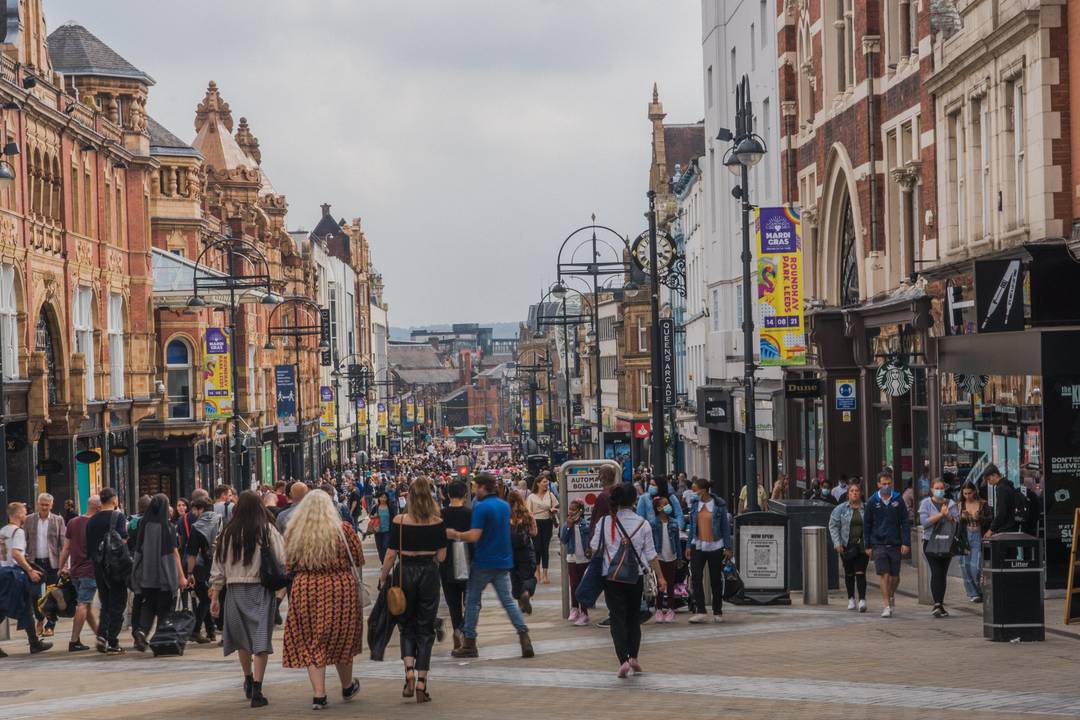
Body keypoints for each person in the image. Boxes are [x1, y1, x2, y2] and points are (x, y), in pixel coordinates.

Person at [283, 490, 363, 711]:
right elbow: (358, 558)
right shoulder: (344, 530)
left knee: (312, 640)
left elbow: (288, 566)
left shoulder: (295, 532)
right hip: (340, 590)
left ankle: (319, 694)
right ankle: (347, 685)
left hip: (306, 589)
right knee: (342, 637)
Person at [210, 490, 286, 708]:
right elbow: (282, 558)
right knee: (261, 640)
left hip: (234, 592)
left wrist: (215, 595)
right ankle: (258, 691)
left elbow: (218, 567)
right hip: (261, 590)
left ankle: (248, 678)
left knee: (242, 639)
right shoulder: (267, 530)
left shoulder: (227, 533)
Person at [447, 472, 534, 660]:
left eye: (475, 487)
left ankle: (469, 642)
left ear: (482, 487)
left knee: (472, 602)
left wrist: (455, 534)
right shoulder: (504, 506)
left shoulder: (481, 507)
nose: (473, 490)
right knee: (509, 602)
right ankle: (524, 637)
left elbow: (475, 535)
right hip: (503, 560)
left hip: (483, 562)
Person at [378, 476, 446, 704]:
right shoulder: (437, 522)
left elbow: (390, 554)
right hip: (428, 573)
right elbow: (442, 556)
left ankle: (408, 671)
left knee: (406, 624)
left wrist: (382, 576)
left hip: (404, 573)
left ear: (410, 497)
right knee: (425, 629)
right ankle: (421, 683)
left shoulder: (399, 520)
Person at [589, 484, 666, 677]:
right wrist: (661, 577)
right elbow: (651, 554)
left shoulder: (605, 522)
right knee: (633, 617)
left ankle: (622, 660)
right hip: (635, 576)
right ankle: (634, 657)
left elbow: (593, 546)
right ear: (634, 501)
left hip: (611, 577)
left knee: (617, 617)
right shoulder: (643, 523)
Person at [130, 494, 191, 651]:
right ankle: (161, 639)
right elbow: (174, 553)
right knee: (164, 609)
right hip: (165, 575)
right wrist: (181, 577)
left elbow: (138, 551)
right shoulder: (167, 527)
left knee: (148, 605)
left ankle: (141, 631)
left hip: (146, 575)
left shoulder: (143, 525)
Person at [0, 501, 52, 653]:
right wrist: (30, 570)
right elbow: (16, 554)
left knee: (8, 608)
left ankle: (34, 642)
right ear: (17, 514)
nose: (25, 515)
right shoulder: (18, 532)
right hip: (13, 575)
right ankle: (34, 643)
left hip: (2, 573)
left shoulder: (3, 531)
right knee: (24, 606)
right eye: (23, 512)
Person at [86, 487, 128, 654]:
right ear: (114, 500)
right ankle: (112, 641)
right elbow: (123, 539)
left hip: (98, 566)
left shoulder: (91, 520)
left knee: (106, 603)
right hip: (115, 566)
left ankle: (102, 635)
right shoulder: (118, 516)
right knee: (118, 603)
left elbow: (88, 547)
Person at [863, 471, 911, 618]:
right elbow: (867, 524)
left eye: (889, 483)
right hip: (878, 543)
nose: (886, 486)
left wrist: (906, 542)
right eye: (883, 483)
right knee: (884, 574)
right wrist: (868, 545)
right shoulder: (872, 501)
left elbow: (904, 522)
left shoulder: (898, 499)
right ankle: (886, 605)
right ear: (878, 484)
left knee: (895, 577)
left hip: (895, 543)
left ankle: (891, 594)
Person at [57, 495, 101, 651]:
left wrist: (60, 567)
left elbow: (66, 548)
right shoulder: (96, 524)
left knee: (85, 604)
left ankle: (100, 636)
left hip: (75, 571)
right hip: (89, 570)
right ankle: (74, 641)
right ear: (99, 508)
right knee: (83, 605)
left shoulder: (73, 522)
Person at [686, 478, 733, 623]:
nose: (692, 493)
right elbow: (692, 527)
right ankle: (700, 610)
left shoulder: (719, 504)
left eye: (695, 490)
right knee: (696, 577)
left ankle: (718, 611)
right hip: (698, 545)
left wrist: (728, 547)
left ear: (704, 490)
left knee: (715, 579)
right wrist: (688, 545)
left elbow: (725, 527)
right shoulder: (694, 504)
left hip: (715, 545)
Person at [24, 492, 66, 638]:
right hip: (34, 562)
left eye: (47, 505)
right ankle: (40, 619)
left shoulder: (58, 520)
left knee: (53, 594)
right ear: (37, 504)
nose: (44, 507)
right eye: (42, 504)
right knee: (34, 594)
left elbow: (63, 544)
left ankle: (50, 625)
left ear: (51, 505)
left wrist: (64, 564)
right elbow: (24, 541)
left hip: (52, 563)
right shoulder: (28, 520)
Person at [919, 478, 959, 618]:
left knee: (942, 573)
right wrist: (940, 515)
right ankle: (937, 604)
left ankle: (940, 604)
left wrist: (948, 515)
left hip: (947, 543)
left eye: (942, 488)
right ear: (931, 489)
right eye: (937, 488)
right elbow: (924, 523)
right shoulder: (925, 503)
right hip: (930, 542)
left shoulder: (951, 503)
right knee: (936, 571)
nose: (939, 490)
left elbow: (956, 522)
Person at [440, 480, 472, 651]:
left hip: (446, 563)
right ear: (465, 495)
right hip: (468, 562)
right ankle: (464, 631)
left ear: (448, 495)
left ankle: (456, 631)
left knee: (453, 603)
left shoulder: (441, 514)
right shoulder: (469, 514)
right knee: (471, 601)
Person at [828, 483, 868, 612]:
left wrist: (871, 544)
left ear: (860, 493)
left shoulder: (866, 508)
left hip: (862, 546)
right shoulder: (840, 509)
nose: (855, 493)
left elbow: (872, 525)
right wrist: (837, 543)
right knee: (849, 573)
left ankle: (862, 599)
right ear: (848, 493)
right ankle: (851, 598)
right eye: (852, 491)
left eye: (857, 491)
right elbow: (833, 525)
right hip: (846, 545)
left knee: (860, 572)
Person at [185, 497, 220, 643]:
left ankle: (196, 630)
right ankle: (211, 631)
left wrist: (189, 573)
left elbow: (192, 554)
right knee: (208, 598)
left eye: (193, 509)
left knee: (205, 598)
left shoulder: (197, 527)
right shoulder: (221, 520)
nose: (192, 512)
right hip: (220, 564)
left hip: (202, 567)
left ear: (200, 509)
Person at [560, 499, 592, 626]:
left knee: (582, 586)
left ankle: (584, 613)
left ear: (580, 511)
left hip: (584, 559)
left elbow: (591, 539)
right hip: (572, 558)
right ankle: (574, 608)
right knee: (573, 584)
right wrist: (568, 527)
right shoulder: (567, 524)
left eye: (574, 509)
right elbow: (563, 540)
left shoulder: (586, 524)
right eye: (570, 509)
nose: (571, 512)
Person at [958, 482, 991, 602]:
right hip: (965, 536)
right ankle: (973, 593)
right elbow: (955, 522)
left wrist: (979, 518)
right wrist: (961, 517)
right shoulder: (961, 505)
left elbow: (990, 519)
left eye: (969, 493)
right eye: (965, 493)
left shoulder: (982, 504)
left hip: (978, 536)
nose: (967, 496)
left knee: (976, 567)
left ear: (974, 491)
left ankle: (980, 590)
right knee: (965, 566)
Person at [650, 496, 680, 623]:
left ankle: (671, 609)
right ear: (658, 508)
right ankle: (658, 609)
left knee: (671, 584)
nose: (668, 506)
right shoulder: (653, 523)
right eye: (665, 504)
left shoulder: (674, 522)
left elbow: (677, 542)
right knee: (660, 585)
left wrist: (679, 557)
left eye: (668, 504)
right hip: (659, 557)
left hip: (671, 557)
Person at [507, 492, 538, 614]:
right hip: (526, 551)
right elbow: (534, 532)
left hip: (511, 552)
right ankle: (526, 593)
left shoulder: (506, 515)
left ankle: (520, 605)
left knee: (515, 578)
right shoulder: (527, 515)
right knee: (528, 577)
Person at [525, 475, 558, 584]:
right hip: (536, 523)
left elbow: (557, 506)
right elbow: (528, 511)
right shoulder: (531, 497)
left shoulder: (550, 494)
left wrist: (553, 510)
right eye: (544, 482)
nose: (546, 484)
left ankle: (545, 574)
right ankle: (537, 571)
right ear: (538, 483)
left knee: (545, 548)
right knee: (537, 547)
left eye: (547, 482)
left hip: (547, 522)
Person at [983, 464, 1018, 535]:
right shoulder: (1008, 485)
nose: (988, 482)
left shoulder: (1001, 488)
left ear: (995, 475)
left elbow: (1001, 512)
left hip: (1005, 529)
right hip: (1012, 527)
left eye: (989, 479)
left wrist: (991, 529)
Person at [369, 491, 394, 563]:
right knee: (379, 548)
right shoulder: (375, 507)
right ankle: (383, 563)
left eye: (385, 497)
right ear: (379, 498)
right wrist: (374, 516)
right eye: (381, 497)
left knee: (385, 547)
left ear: (387, 499)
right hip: (377, 531)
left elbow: (393, 518)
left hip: (387, 531)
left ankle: (386, 563)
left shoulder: (390, 507)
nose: (383, 499)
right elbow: (370, 516)